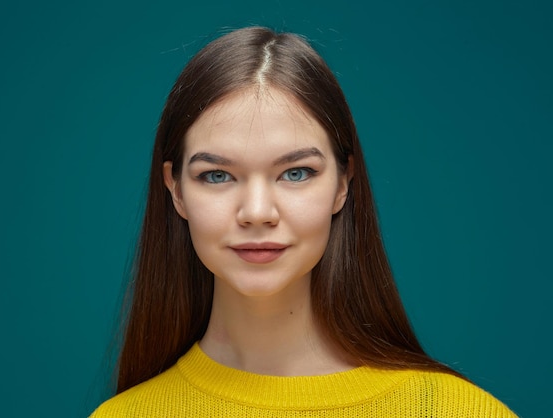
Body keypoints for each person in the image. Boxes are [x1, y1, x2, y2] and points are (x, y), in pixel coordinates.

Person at [90, 26, 516, 417]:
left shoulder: (455, 410)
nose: (257, 212)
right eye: (217, 175)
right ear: (176, 189)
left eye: (295, 173)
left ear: (343, 184)